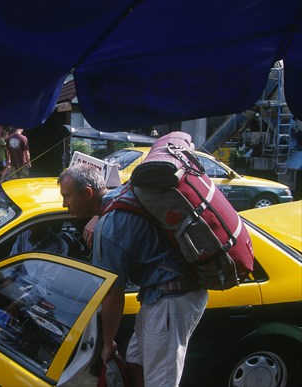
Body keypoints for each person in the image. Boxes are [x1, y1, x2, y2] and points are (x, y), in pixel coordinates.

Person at [57, 164, 208, 387]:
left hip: (172, 300)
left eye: (67, 196)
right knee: (136, 361)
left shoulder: (108, 228)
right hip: (159, 296)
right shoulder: (118, 197)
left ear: (88, 193)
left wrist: (108, 343)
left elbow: (113, 295)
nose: (64, 204)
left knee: (160, 381)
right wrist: (97, 216)